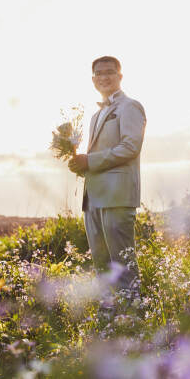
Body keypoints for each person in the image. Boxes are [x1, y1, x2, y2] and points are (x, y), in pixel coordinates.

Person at [69, 56, 146, 293]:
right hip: (92, 198)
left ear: (120, 76)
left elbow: (130, 147)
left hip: (118, 196)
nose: (104, 77)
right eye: (99, 73)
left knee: (122, 264)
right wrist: (80, 165)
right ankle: (110, 317)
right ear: (93, 79)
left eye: (110, 72)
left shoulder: (130, 106)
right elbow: (97, 158)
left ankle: (135, 316)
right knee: (101, 265)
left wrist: (89, 161)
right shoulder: (94, 116)